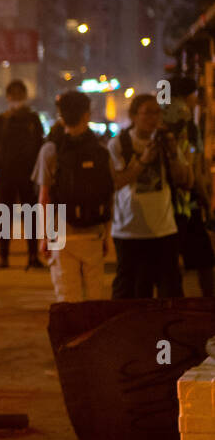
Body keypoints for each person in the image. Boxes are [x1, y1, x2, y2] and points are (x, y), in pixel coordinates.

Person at [108, 93, 191, 299]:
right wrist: (143, 162)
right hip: (129, 231)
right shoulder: (119, 143)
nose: (153, 118)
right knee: (128, 292)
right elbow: (117, 182)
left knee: (170, 291)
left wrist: (173, 152)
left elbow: (184, 181)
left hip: (163, 229)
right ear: (134, 116)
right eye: (147, 113)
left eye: (157, 113)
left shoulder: (166, 142)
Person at [33, 91, 114, 302]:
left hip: (61, 236)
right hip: (93, 234)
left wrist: (43, 237)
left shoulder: (51, 151)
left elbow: (44, 197)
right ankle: (94, 335)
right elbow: (108, 193)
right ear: (87, 114)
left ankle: (72, 336)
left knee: (68, 301)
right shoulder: (101, 151)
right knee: (95, 299)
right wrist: (106, 234)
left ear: (61, 116)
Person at [163, 75, 214, 296]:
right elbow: (195, 166)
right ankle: (207, 310)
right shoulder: (187, 122)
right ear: (188, 95)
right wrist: (204, 197)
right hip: (188, 201)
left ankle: (169, 312)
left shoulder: (160, 118)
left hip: (164, 203)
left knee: (169, 263)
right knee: (204, 259)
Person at [0, 80, 46, 269]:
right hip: (6, 175)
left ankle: (32, 256)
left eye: (19, 95)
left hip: (28, 176)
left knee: (30, 217)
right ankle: (3, 256)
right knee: (4, 217)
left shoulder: (33, 120)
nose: (16, 99)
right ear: (8, 97)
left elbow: (40, 147)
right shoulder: (1, 121)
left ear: (24, 96)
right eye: (12, 95)